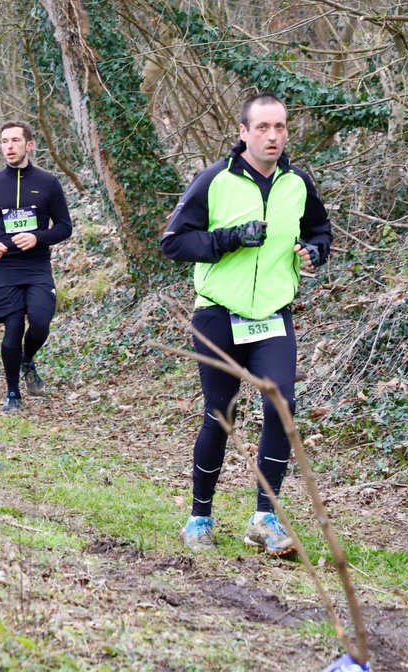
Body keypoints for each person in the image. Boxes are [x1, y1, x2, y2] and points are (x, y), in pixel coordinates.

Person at [160, 92, 331, 556]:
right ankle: (199, 518)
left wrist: (314, 251)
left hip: (273, 315)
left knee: (281, 406)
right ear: (243, 132)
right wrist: (228, 239)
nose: (272, 136)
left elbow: (320, 231)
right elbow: (173, 242)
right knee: (221, 416)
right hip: (219, 314)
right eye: (262, 127)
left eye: (280, 127)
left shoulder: (297, 183)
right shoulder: (214, 180)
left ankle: (264, 519)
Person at [0, 121, 72, 414]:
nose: (9, 146)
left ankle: (27, 360)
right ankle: (12, 393)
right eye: (4, 141)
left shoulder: (48, 183)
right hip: (5, 267)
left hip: (37, 266)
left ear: (29, 145)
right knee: (13, 327)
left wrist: (38, 237)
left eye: (15, 140)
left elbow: (64, 226)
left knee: (40, 322)